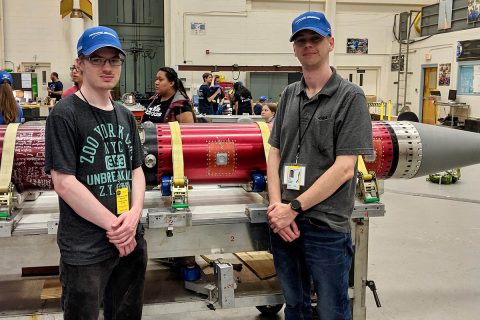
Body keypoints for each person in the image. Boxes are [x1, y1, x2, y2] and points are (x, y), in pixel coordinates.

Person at [266, 11, 373, 320]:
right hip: (285, 225)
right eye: (301, 40)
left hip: (324, 227)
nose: (308, 45)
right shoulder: (289, 95)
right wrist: (277, 207)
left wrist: (294, 207)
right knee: (295, 307)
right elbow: (275, 152)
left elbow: (344, 168)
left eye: (315, 39)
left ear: (330, 43)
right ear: (294, 48)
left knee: (332, 311)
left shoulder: (351, 98)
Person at [44, 26, 147, 320]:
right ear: (80, 63)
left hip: (130, 242)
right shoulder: (64, 114)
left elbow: (136, 169)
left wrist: (134, 216)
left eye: (114, 60)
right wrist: (116, 227)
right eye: (97, 59)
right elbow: (64, 183)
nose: (107, 67)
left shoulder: (125, 114)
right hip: (86, 249)